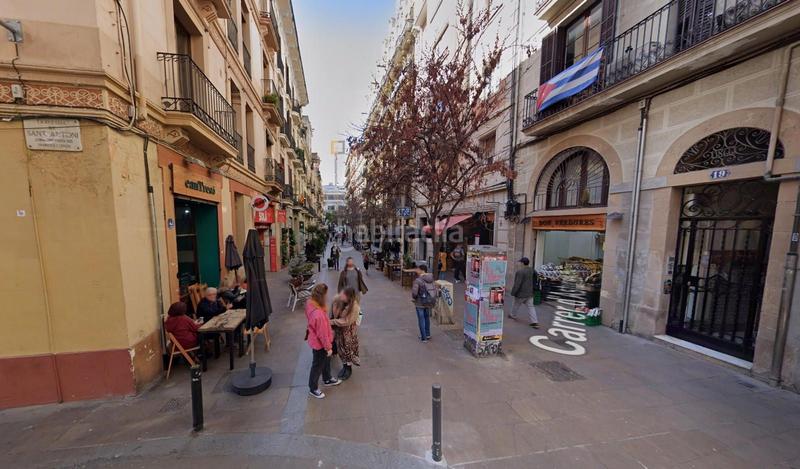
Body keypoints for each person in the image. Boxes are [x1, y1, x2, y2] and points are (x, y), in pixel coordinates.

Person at [306, 284, 340, 398]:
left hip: (316, 340)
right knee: (317, 365)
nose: (327, 296)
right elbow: (322, 334)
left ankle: (327, 378)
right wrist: (328, 347)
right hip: (320, 344)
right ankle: (313, 388)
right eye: (326, 294)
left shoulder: (310, 304)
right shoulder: (318, 314)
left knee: (325, 361)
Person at [331, 287, 361, 380]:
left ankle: (348, 368)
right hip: (339, 331)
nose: (341, 295)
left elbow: (346, 321)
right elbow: (333, 313)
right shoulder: (338, 301)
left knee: (348, 350)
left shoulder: (354, 307)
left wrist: (332, 322)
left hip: (348, 333)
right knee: (341, 349)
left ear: (348, 297)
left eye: (343, 294)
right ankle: (344, 366)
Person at [508, 257, 540, 328]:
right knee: (531, 307)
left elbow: (517, 284)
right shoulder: (532, 270)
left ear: (522, 263)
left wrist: (513, 292)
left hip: (521, 293)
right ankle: (535, 322)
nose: (519, 264)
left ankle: (513, 315)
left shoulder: (520, 272)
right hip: (530, 292)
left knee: (516, 304)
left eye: (520, 262)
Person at [411, 264, 437, 342]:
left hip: (420, 302)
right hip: (429, 301)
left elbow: (414, 293)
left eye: (418, 269)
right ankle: (428, 334)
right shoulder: (431, 278)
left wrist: (415, 298)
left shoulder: (418, 280)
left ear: (422, 270)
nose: (417, 271)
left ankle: (424, 337)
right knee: (427, 318)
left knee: (421, 319)